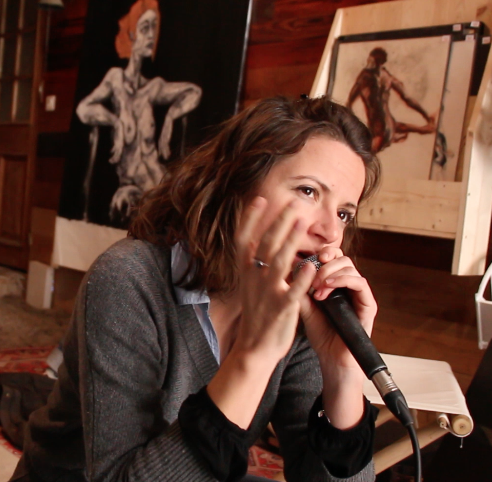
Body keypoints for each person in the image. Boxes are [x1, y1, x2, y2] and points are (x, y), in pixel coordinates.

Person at [11, 95, 381, 482]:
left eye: (344, 213)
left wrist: (342, 375)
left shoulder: (300, 307)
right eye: (308, 191)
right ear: (237, 183)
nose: (330, 231)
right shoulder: (127, 279)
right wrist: (253, 356)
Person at [76, 0, 202, 225]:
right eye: (145, 28)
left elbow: (194, 92)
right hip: (135, 188)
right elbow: (83, 108)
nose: (151, 35)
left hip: (159, 184)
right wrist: (115, 121)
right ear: (131, 33)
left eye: (154, 27)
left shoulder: (153, 88)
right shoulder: (115, 79)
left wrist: (170, 117)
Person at [347, 47, 435, 153]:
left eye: (372, 59)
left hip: (379, 131)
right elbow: (407, 99)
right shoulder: (387, 76)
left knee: (362, 154)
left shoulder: (365, 76)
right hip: (389, 126)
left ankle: (422, 129)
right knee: (398, 127)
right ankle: (423, 129)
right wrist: (425, 115)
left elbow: (349, 103)